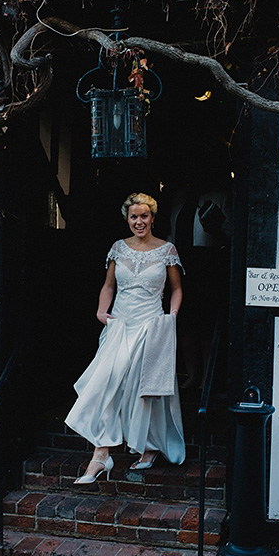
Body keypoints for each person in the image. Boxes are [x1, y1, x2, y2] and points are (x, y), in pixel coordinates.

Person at [65, 193, 187, 484]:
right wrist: (100, 312)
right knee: (108, 384)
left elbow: (177, 289)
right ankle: (101, 454)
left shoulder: (167, 250)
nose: (139, 221)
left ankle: (148, 446)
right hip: (120, 325)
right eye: (134, 216)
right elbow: (108, 285)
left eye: (144, 216)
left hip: (150, 326)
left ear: (153, 218)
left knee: (141, 389)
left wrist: (171, 318)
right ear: (127, 219)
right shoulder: (118, 248)